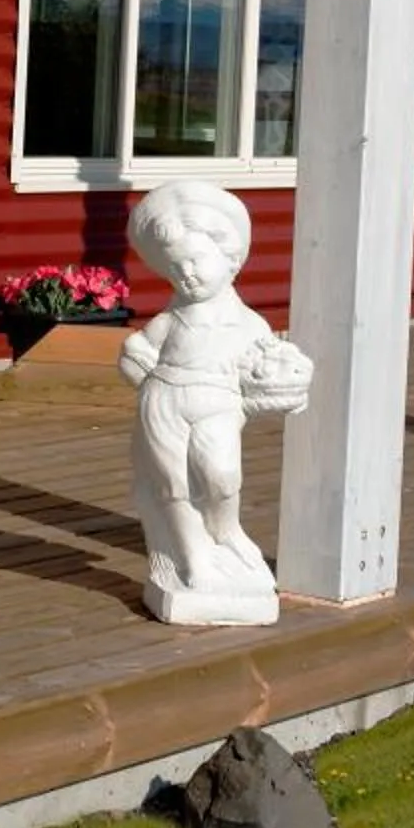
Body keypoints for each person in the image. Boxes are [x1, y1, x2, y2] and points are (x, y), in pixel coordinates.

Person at [117, 183, 310, 625]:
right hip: (164, 401)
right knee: (174, 484)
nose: (186, 274)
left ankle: (225, 531)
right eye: (176, 268)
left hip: (219, 404)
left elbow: (273, 365)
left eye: (196, 262)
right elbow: (135, 358)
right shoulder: (170, 319)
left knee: (221, 476)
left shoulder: (249, 323)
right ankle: (193, 559)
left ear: (230, 260)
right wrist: (133, 364)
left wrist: (289, 378)